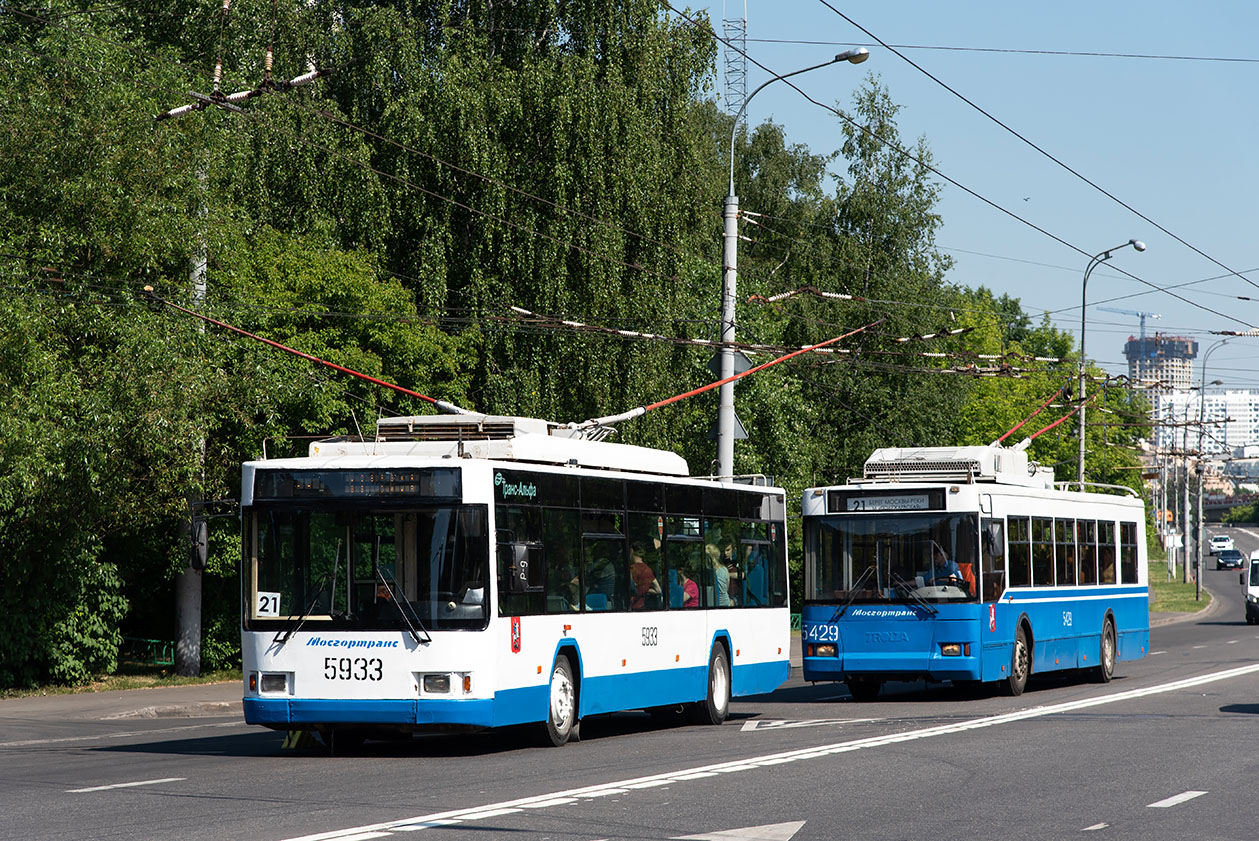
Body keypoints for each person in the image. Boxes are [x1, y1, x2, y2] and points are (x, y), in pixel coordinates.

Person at [629, 542, 661, 611]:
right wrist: (646, 591)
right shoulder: (648, 569)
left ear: (631, 551)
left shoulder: (632, 569)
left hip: (632, 607)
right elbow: (658, 590)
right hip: (643, 607)